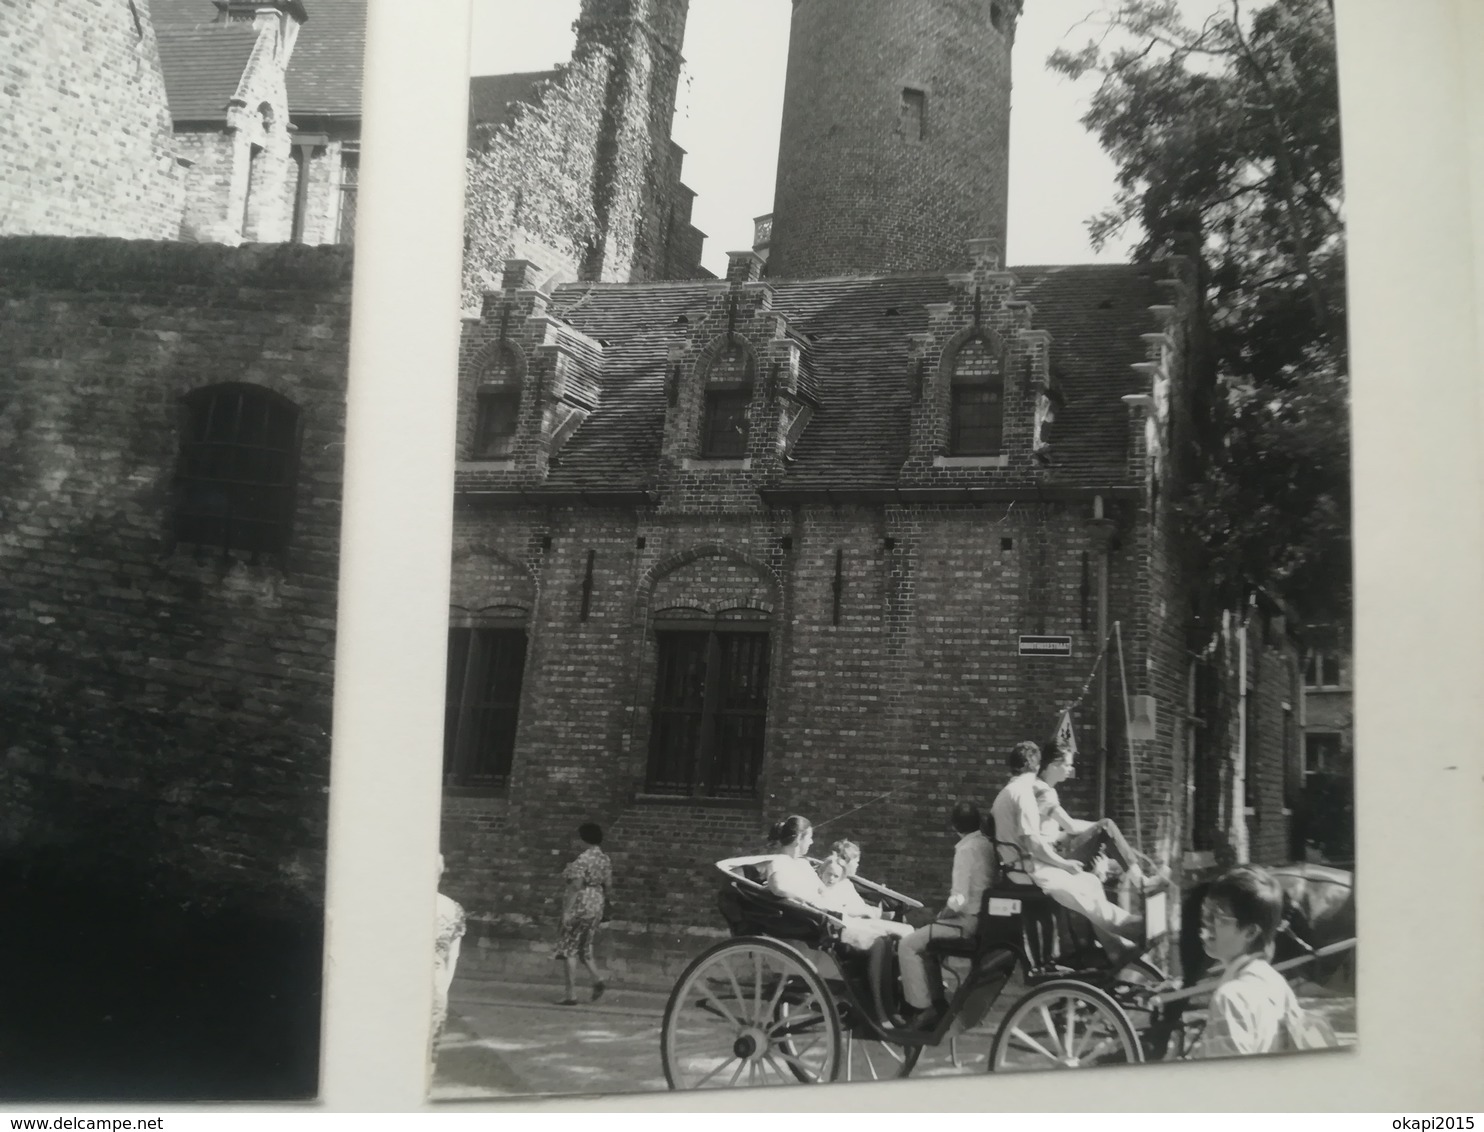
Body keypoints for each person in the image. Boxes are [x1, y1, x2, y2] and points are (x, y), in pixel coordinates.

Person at [990, 740, 1144, 967]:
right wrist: (1063, 864)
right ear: (1035, 766)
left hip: (1023, 867)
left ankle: (1114, 947)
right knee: (1080, 893)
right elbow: (1034, 844)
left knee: (1090, 882)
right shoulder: (1021, 794)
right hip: (1032, 870)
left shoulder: (1007, 793)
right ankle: (1129, 927)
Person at [1193, 865, 1311, 1058]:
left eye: (1219, 918)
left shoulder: (1229, 999)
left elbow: (1228, 1081)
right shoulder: (1277, 984)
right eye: (1207, 912)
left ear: (1250, 932)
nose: (1207, 924)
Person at [896, 801, 994, 1028]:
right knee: (928, 947)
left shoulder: (965, 849)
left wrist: (941, 916)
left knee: (908, 944)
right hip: (983, 921)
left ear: (954, 827)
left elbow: (958, 900)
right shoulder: (986, 845)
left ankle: (921, 1007)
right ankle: (938, 1003)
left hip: (966, 922)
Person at [1034, 745, 1169, 908]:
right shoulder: (1044, 792)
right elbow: (1070, 826)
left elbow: (1056, 833)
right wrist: (1102, 829)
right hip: (1052, 860)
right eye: (1067, 765)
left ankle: (1121, 908)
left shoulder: (1041, 788)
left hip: (1050, 855)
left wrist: (1098, 831)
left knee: (1116, 864)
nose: (1070, 769)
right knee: (1106, 826)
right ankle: (1141, 883)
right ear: (1054, 764)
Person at [555, 821, 611, 1006]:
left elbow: (576, 886)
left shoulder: (582, 860)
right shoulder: (605, 859)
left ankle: (570, 994)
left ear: (583, 839)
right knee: (585, 947)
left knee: (569, 948)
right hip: (596, 902)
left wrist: (567, 912)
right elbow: (608, 884)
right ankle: (597, 978)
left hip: (581, 903)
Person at [432, 854, 466, 1052]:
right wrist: (444, 987)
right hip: (436, 980)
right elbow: (453, 955)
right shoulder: (453, 908)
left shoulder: (399, 905)